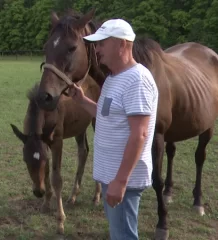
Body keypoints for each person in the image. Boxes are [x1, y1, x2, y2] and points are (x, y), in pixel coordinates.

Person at [69, 19, 159, 239]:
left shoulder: (137, 80)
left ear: (122, 44)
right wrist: (81, 101)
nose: (96, 49)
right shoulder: (113, 79)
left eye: (101, 43)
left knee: (123, 236)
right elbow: (106, 115)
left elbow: (139, 134)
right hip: (111, 177)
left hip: (122, 180)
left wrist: (120, 181)